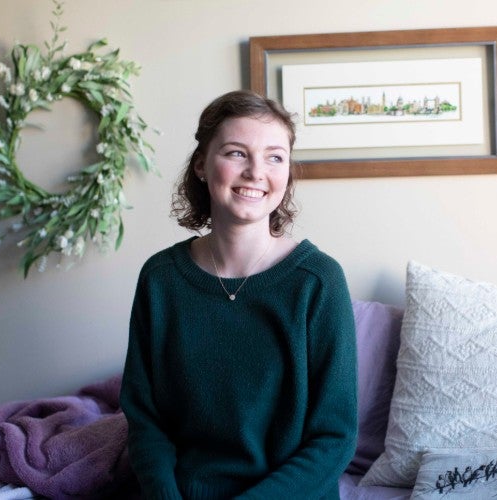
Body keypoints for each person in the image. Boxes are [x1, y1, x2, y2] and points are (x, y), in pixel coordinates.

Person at [120, 90, 358, 499]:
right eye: (236, 153)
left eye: (274, 157)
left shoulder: (318, 282)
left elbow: (333, 438)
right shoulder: (160, 279)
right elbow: (145, 420)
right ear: (201, 164)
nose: (255, 172)